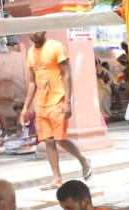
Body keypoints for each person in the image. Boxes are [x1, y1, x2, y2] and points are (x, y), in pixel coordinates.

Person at [23, 32, 93, 189]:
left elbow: (66, 75)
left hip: (58, 100)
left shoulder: (56, 47)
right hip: (42, 103)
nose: (34, 34)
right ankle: (57, 179)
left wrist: (68, 101)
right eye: (31, 31)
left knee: (60, 139)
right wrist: (26, 107)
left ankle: (83, 160)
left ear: (44, 31)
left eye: (37, 30)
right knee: (48, 141)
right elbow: (32, 82)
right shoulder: (30, 53)